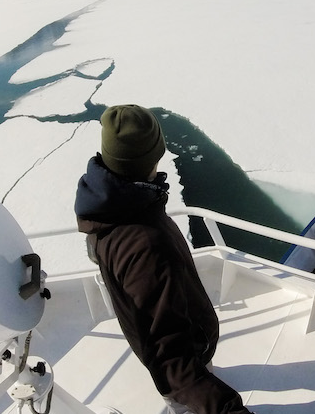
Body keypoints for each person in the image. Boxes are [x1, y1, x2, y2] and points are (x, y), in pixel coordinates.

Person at [75, 105, 251, 414]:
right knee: (189, 396)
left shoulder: (108, 208)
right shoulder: (146, 244)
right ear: (150, 158)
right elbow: (173, 361)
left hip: (168, 336)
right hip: (191, 355)